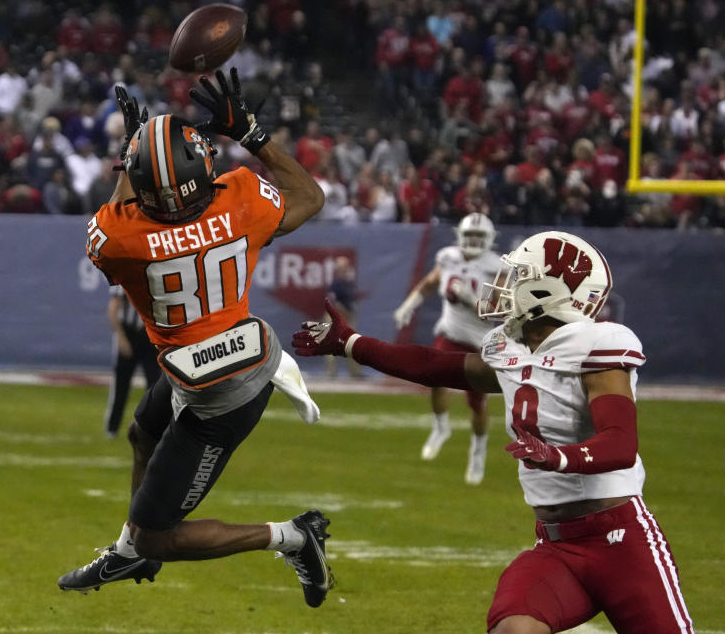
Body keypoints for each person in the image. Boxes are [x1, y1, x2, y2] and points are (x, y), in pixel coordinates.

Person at [293, 231, 694, 633]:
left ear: (550, 291)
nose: (506, 284)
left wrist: (560, 457)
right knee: (513, 629)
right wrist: (351, 343)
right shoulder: (511, 346)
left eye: (521, 276)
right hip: (556, 544)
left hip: (620, 539)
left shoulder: (598, 343)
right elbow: (436, 365)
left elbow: (620, 442)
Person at [57, 69, 333, 608]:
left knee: (159, 534)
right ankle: (128, 548)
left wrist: (130, 159)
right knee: (142, 434)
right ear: (205, 168)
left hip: (222, 391)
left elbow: (116, 212)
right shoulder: (243, 199)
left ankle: (297, 536)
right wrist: (251, 135)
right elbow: (311, 196)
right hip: (227, 353)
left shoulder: (121, 240)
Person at [392, 213, 499, 484]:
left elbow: (499, 312)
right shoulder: (448, 256)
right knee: (435, 379)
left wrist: (470, 298)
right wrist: (409, 305)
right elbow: (430, 283)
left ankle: (478, 450)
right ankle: (441, 427)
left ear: (489, 240)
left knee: (476, 403)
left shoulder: (497, 267)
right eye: (470, 236)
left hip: (480, 341)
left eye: (479, 237)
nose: (473, 242)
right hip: (450, 331)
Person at [103, 285, 161, 439]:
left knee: (154, 387)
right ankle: (111, 428)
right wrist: (121, 337)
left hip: (150, 336)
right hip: (129, 333)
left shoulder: (157, 278)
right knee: (121, 385)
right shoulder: (124, 280)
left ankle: (150, 429)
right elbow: (113, 309)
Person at [324, 256, 362, 378]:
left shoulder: (349, 283)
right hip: (336, 317)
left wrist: (350, 313)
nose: (344, 269)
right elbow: (334, 302)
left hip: (348, 317)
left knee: (353, 344)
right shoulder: (336, 283)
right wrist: (345, 313)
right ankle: (331, 372)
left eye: (345, 266)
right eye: (341, 266)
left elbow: (351, 300)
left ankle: (355, 372)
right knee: (331, 345)